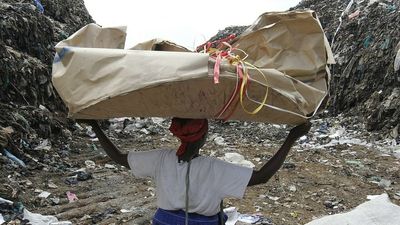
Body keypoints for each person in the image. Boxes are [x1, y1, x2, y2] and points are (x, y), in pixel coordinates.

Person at [80, 118, 311, 225]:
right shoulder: (214, 168)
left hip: (163, 222)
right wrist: (291, 138)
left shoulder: (161, 159)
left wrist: (95, 126)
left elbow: (120, 158)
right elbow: (262, 176)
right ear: (203, 136)